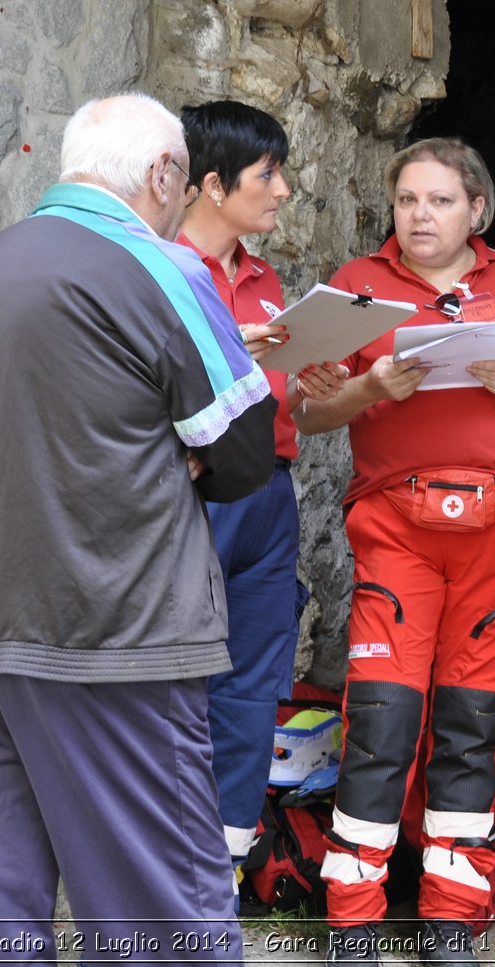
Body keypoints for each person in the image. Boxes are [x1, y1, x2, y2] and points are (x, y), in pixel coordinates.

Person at [0, 92, 275, 963]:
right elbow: (243, 453)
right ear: (162, 174)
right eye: (183, 182)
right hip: (111, 629)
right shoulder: (161, 267)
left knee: (4, 910)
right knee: (163, 911)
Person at [294, 138, 495, 966]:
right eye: (406, 201)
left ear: (477, 211)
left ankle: (451, 915)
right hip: (396, 527)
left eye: (438, 200)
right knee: (382, 718)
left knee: (471, 720)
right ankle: (351, 917)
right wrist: (367, 389)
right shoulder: (356, 289)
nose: (419, 216)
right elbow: (307, 413)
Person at [175, 100, 348, 870]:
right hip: (195, 496)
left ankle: (228, 864)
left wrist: (311, 388)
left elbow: (287, 415)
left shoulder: (268, 275)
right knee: (177, 681)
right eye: (267, 174)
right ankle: (163, 866)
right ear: (213, 184)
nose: (282, 190)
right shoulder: (162, 269)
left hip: (271, 496)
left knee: (253, 685)